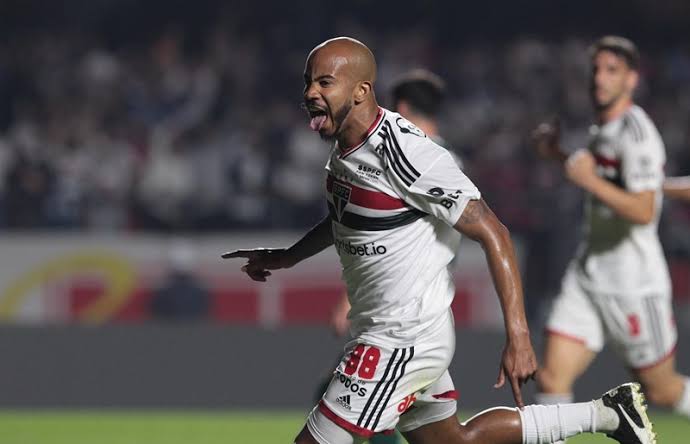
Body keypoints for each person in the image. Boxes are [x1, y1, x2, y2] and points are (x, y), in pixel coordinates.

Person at [224, 37, 656, 444]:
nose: (310, 93)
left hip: (401, 337)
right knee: (457, 440)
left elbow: (493, 231)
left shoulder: (407, 154)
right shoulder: (345, 150)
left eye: (323, 82)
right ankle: (608, 414)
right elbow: (344, 218)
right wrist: (286, 258)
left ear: (360, 91)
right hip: (391, 328)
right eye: (308, 82)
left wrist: (518, 334)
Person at [531, 35, 690, 431]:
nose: (600, 78)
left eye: (612, 70)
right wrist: (559, 156)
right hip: (588, 274)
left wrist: (587, 180)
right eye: (596, 69)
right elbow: (605, 176)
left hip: (634, 284)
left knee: (662, 392)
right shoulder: (602, 129)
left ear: (632, 80)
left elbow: (643, 209)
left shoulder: (638, 135)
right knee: (551, 379)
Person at [329, 68, 457, 337]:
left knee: (346, 378)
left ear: (401, 108)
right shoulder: (452, 163)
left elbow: (382, 234)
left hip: (396, 305)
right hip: (433, 300)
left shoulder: (400, 162)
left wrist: (349, 299)